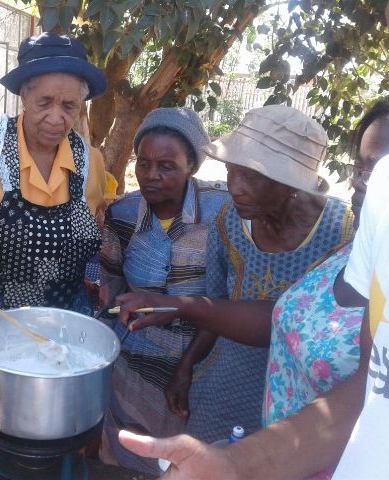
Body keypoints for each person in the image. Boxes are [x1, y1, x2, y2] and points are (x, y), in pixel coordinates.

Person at [115, 99, 389, 478]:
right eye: (231, 172)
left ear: (291, 184)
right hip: (226, 379)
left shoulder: (344, 231)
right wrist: (186, 366)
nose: (235, 188)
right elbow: (218, 305)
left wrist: (180, 306)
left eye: (252, 177)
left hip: (310, 412)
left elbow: (359, 383)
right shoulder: (228, 222)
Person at [0, 31, 107, 434]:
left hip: (66, 343)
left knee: (61, 437)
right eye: (44, 102)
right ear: (23, 97)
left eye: (69, 106)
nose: (56, 118)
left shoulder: (91, 162)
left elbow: (84, 244)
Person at [97, 107, 229, 475]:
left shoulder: (222, 214)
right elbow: (110, 284)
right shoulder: (123, 214)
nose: (151, 175)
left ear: (192, 167)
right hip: (134, 364)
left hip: (200, 364)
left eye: (167, 166)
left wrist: (186, 368)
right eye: (143, 164)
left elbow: (227, 303)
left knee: (183, 463)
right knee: (127, 454)